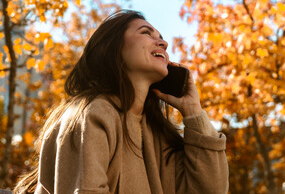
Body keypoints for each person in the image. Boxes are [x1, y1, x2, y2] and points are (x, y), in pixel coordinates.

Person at [14, 10, 229, 194]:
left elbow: (211, 189)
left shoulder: (156, 134)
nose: (163, 42)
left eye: (162, 38)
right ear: (113, 47)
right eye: (146, 33)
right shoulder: (92, 113)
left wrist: (193, 111)